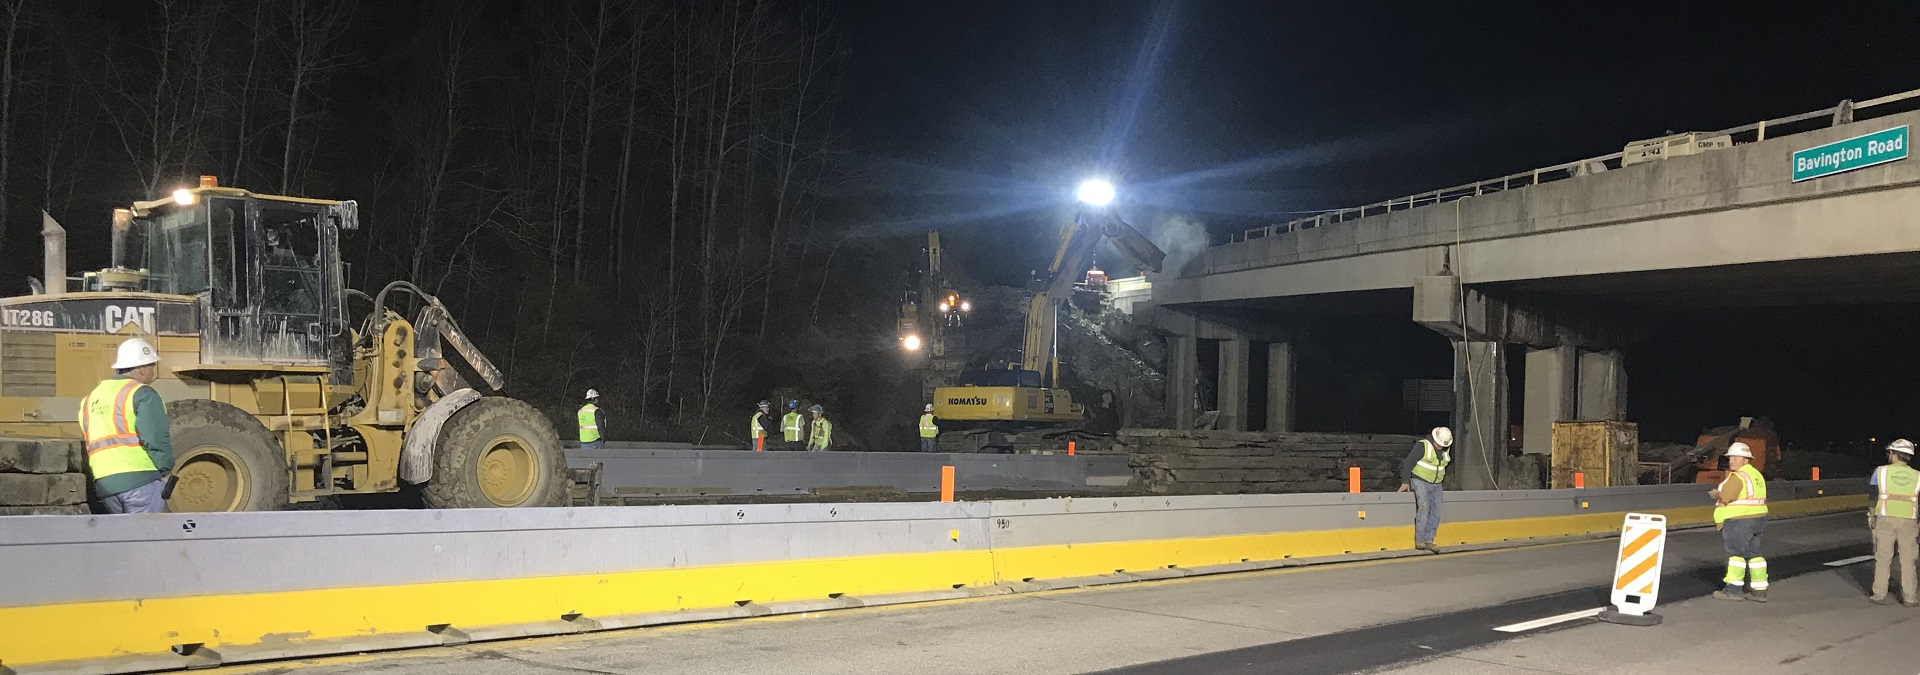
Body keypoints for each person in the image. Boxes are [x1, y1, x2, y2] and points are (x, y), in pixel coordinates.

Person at [79, 338, 173, 514]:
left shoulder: (89, 399)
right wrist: (164, 469)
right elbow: (155, 437)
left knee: (124, 539)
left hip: (105, 485)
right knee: (149, 538)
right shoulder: (142, 394)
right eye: (153, 366)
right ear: (143, 368)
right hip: (140, 481)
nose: (154, 371)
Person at [1710, 442, 1770, 602]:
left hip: (1739, 521)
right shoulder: (1756, 475)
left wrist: (1715, 494)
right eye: (1730, 458)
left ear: (1745, 460)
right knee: (1755, 555)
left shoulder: (1738, 477)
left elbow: (1726, 497)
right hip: (1758, 519)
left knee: (1736, 554)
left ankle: (1733, 590)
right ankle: (1759, 591)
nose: (1731, 461)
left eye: (1735, 458)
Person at [1868, 439, 1919, 606]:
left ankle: (1879, 594)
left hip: (1885, 518)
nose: (1889, 455)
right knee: (1908, 559)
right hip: (1909, 521)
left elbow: (1873, 496)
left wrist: (1872, 516)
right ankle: (1909, 597)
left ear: (1895, 454)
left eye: (1890, 452)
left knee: (1883, 557)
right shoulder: (1917, 476)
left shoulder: (1880, 472)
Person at [1398, 426, 1452, 551]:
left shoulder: (1445, 448)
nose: (1440, 447)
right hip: (1420, 480)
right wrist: (1406, 481)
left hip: (1437, 484)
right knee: (1424, 508)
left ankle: (1429, 540)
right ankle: (1420, 540)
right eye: (1438, 444)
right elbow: (1409, 462)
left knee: (1436, 512)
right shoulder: (1423, 446)